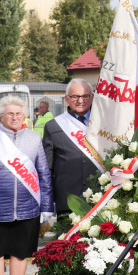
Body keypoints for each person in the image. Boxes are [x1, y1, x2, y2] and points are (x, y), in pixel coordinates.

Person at [0, 95, 54, 275]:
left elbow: (43, 173)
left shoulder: (33, 139)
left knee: (21, 253)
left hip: (27, 207)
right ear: (1, 116)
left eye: (18, 113)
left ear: (24, 116)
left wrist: (47, 207)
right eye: (10, 114)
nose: (15, 117)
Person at [43, 79, 102, 216]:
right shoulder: (53, 126)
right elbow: (47, 168)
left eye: (85, 96)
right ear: (67, 99)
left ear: (92, 97)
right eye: (75, 96)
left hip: (101, 200)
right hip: (67, 202)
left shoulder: (104, 123)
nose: (80, 100)